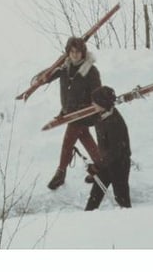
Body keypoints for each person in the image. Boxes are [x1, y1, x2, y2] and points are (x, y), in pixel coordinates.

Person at [42, 37, 102, 190]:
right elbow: (45, 78)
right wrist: (43, 76)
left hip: (84, 113)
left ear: (83, 52)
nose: (75, 55)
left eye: (78, 52)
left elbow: (98, 93)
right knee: (84, 137)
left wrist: (89, 107)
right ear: (68, 53)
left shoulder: (90, 70)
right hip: (70, 111)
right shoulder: (64, 68)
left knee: (68, 141)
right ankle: (102, 167)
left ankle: (61, 173)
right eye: (72, 52)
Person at [83, 86, 131, 210]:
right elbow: (83, 119)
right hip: (106, 163)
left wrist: (97, 167)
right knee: (94, 197)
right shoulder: (100, 114)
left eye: (95, 101)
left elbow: (115, 152)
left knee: (122, 199)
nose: (92, 103)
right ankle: (87, 220)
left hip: (119, 164)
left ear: (102, 103)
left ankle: (129, 222)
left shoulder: (114, 122)